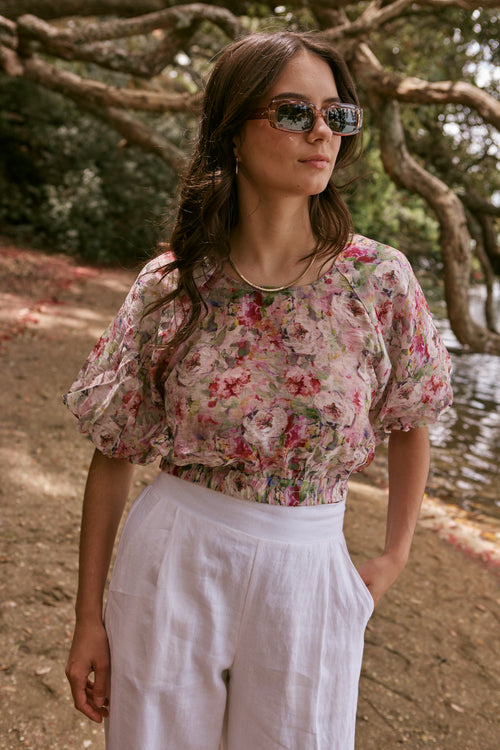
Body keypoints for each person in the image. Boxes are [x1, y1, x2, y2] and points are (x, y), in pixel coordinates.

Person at [63, 31, 452, 750]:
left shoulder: (379, 280)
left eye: (337, 116)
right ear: (233, 131)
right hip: (174, 559)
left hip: (311, 568)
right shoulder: (170, 285)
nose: (322, 134)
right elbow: (113, 450)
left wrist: (392, 557)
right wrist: (89, 616)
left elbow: (412, 419)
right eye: (294, 113)